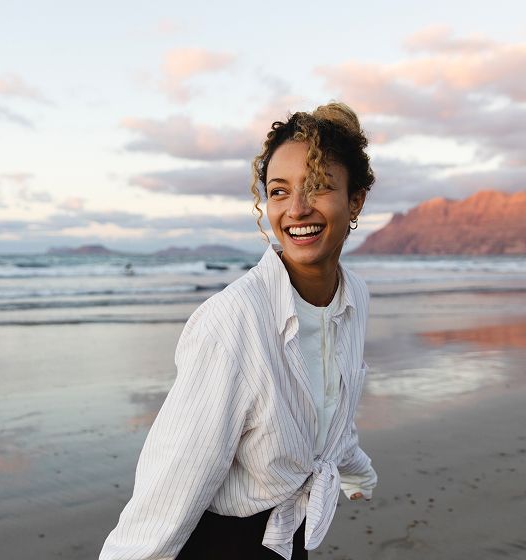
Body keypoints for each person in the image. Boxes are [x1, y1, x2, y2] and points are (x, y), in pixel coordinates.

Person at [99, 101, 377, 560]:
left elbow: (333, 412)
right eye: (280, 191)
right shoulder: (232, 323)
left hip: (289, 539)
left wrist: (356, 473)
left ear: (356, 200)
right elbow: (171, 484)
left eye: (319, 187)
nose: (297, 209)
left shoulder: (354, 298)